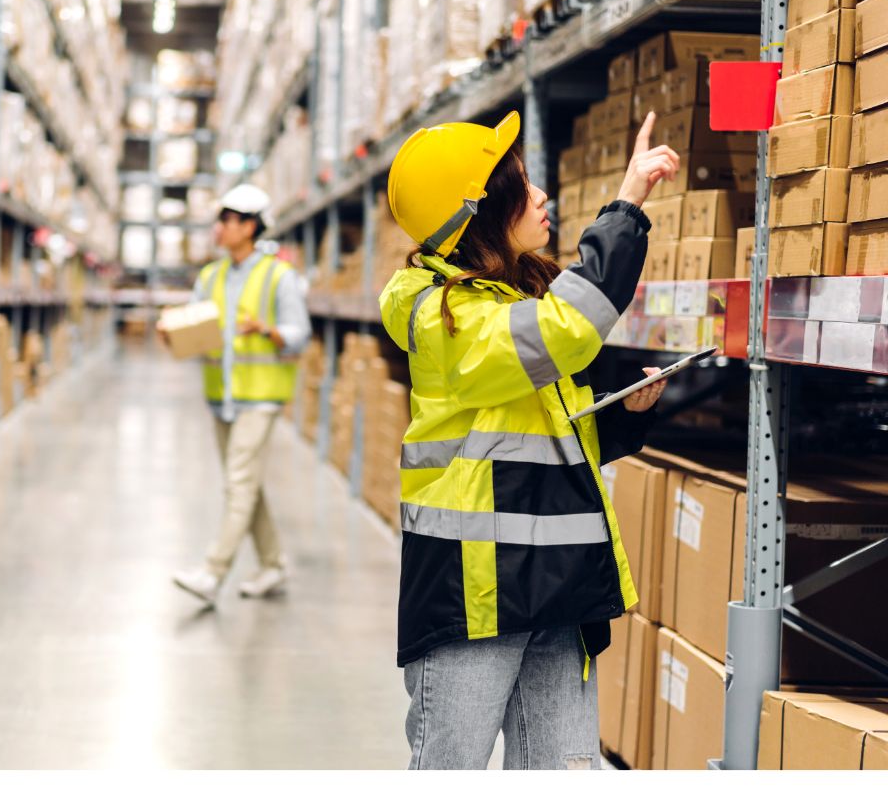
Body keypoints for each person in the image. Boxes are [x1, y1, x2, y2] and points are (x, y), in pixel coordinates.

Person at [378, 110, 677, 769]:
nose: (541, 195)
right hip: (475, 590)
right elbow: (568, 327)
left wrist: (621, 417)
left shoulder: (513, 298)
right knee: (450, 766)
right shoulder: (444, 316)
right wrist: (626, 206)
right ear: (477, 214)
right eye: (520, 187)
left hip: (556, 580)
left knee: (566, 768)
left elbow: (535, 438)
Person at [168, 183, 312, 605]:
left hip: (261, 396)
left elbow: (300, 334)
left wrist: (266, 330)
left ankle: (213, 573)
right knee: (245, 485)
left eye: (228, 220)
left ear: (250, 226)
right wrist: (173, 334)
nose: (219, 228)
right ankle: (273, 564)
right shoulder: (210, 276)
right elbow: (195, 329)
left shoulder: (279, 276)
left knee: (238, 482)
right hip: (221, 396)